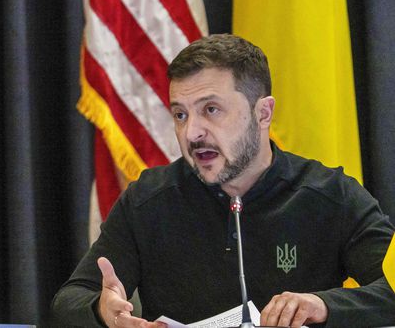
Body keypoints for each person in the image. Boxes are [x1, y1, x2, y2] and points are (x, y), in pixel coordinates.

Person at [52, 34, 395, 327]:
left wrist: (324, 306)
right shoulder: (149, 199)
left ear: (263, 113)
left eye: (211, 109)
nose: (192, 132)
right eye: (180, 114)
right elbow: (68, 300)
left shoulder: (329, 195)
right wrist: (101, 311)